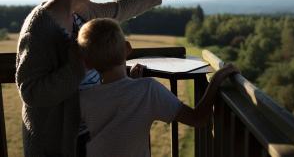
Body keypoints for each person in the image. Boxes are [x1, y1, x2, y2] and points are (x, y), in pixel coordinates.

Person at [15, 0, 183, 157]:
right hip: (58, 142)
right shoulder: (39, 28)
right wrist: (80, 65)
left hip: (92, 134)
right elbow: (31, 92)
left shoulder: (82, 12)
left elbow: (119, 8)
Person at [77, 18, 238, 157]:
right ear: (127, 48)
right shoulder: (147, 90)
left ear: (87, 63)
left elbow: (114, 102)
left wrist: (131, 81)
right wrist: (216, 79)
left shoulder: (84, 98)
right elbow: (198, 119)